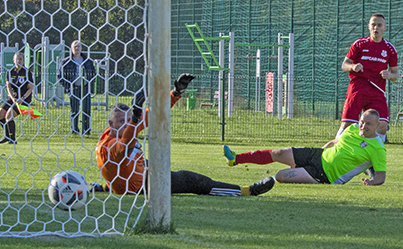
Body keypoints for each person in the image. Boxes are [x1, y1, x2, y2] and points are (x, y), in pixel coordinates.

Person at [95, 74, 275, 197]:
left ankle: (104, 186)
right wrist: (134, 119)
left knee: (153, 163)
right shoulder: (107, 146)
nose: (126, 124)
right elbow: (123, 147)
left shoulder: (128, 126)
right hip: (138, 187)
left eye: (129, 120)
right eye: (121, 122)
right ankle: (247, 191)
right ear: (110, 125)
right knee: (189, 179)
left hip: (134, 172)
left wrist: (176, 93)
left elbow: (157, 113)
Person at [223, 109, 386, 186]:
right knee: (278, 152)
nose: (363, 126)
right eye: (362, 121)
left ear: (378, 125)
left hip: (325, 175)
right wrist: (318, 153)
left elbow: (381, 176)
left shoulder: (378, 149)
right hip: (317, 155)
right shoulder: (352, 128)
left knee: (280, 176)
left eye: (368, 124)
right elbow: (335, 142)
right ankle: (236, 159)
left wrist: (371, 183)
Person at [338, 13, 399, 143]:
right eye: (373, 25)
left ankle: (372, 152)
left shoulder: (390, 49)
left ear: (385, 28)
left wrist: (389, 75)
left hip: (377, 91)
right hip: (357, 88)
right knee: (348, 124)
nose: (376, 28)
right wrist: (353, 66)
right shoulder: (360, 44)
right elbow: (344, 65)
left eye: (379, 25)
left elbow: (395, 74)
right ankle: (333, 152)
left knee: (381, 125)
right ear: (369, 27)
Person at [0, 51, 35, 144]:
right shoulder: (10, 72)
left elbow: (30, 88)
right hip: (14, 98)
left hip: (24, 99)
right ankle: (6, 136)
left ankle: (12, 139)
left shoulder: (27, 72)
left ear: (23, 61)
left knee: (9, 115)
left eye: (21, 59)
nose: (19, 60)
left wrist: (23, 98)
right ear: (14, 60)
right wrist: (12, 98)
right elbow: (8, 86)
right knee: (0, 115)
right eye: (17, 59)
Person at [60, 40, 96, 135]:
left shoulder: (88, 61)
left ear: (81, 48)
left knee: (86, 110)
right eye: (74, 47)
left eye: (78, 46)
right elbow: (60, 76)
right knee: (74, 110)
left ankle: (86, 130)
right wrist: (68, 87)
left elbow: (93, 75)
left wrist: (90, 88)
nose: (76, 48)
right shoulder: (66, 62)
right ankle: (75, 130)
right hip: (74, 88)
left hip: (85, 88)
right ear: (71, 49)